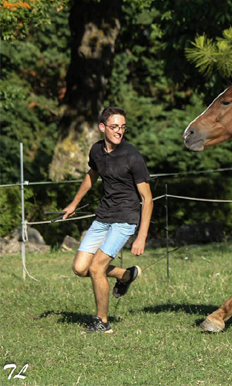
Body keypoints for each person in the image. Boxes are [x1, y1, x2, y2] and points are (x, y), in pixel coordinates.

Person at [63, 106, 153, 334]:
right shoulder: (96, 151)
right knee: (79, 267)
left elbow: (147, 198)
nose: (119, 132)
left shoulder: (132, 156)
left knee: (96, 268)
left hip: (125, 218)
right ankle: (125, 275)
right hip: (103, 216)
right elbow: (91, 176)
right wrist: (74, 203)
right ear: (102, 127)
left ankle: (102, 322)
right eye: (114, 127)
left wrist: (141, 237)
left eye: (122, 127)